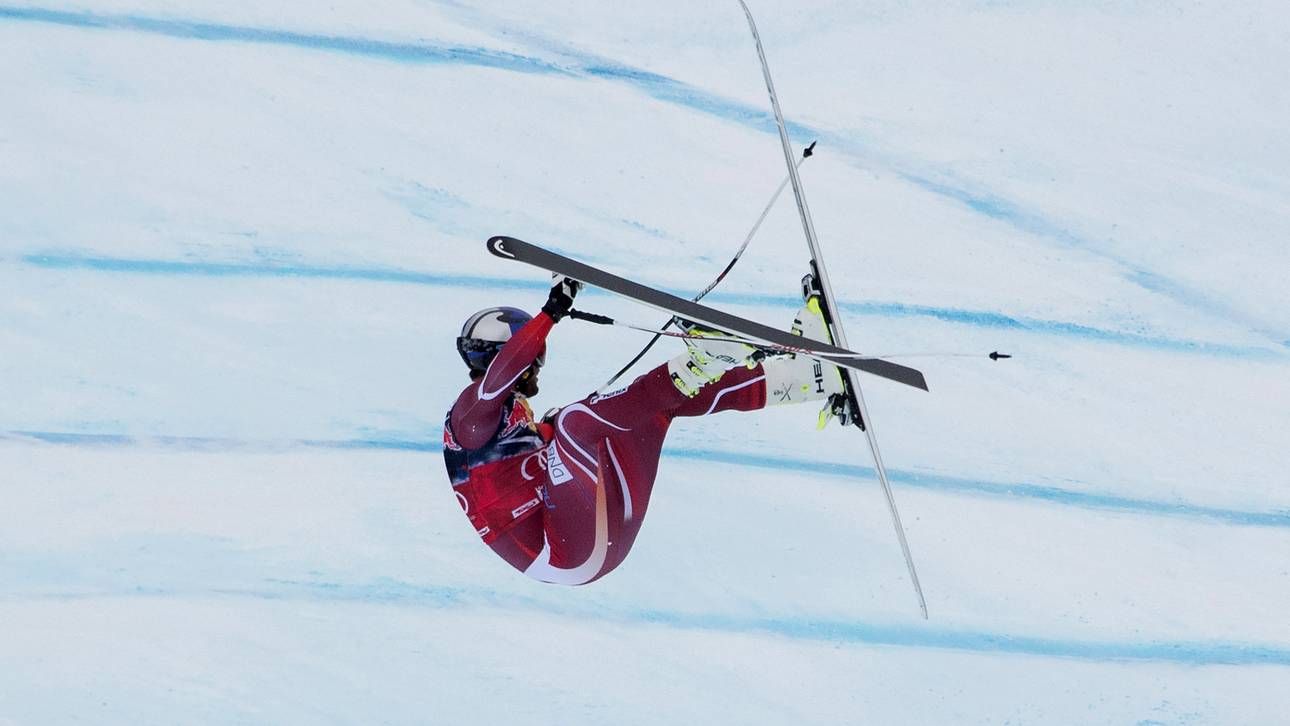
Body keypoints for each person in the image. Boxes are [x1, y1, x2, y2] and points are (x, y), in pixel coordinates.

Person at [444, 275, 844, 585]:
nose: (539, 365)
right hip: (566, 551)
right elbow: (502, 375)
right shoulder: (469, 414)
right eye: (536, 356)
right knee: (572, 423)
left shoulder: (505, 421)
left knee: (647, 409)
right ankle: (702, 363)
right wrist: (553, 310)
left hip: (595, 532)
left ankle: (808, 379)